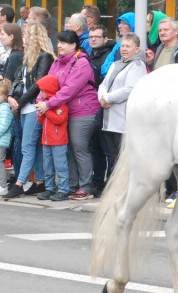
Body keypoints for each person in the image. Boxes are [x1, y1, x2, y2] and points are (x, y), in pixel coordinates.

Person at [39, 30, 100, 201]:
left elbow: (69, 90)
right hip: (62, 111)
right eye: (58, 42)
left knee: (79, 147)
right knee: (68, 150)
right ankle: (70, 186)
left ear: (74, 45)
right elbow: (47, 84)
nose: (59, 46)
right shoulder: (57, 62)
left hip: (83, 111)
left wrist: (48, 105)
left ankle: (86, 187)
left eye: (64, 42)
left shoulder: (81, 63)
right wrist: (40, 101)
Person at [5, 23, 55, 199]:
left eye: (27, 33)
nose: (24, 36)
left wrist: (19, 101)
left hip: (34, 107)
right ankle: (40, 181)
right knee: (35, 147)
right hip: (24, 107)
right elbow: (18, 78)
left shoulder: (45, 57)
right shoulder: (28, 57)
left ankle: (19, 183)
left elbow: (38, 85)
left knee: (27, 146)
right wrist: (10, 96)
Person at [96, 32, 146, 197]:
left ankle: (122, 190)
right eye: (123, 46)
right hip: (107, 116)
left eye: (128, 46)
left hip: (122, 119)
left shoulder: (137, 65)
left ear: (136, 49)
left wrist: (109, 97)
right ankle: (111, 187)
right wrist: (102, 98)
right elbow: (104, 84)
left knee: (121, 157)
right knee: (111, 156)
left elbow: (130, 88)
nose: (124, 49)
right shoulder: (115, 64)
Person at [35, 74, 70, 201]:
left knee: (61, 167)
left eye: (42, 90)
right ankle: (49, 188)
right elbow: (41, 121)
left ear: (49, 90)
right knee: (47, 167)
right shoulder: (45, 104)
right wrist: (40, 113)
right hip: (46, 141)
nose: (41, 93)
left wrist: (46, 111)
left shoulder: (60, 105)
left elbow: (59, 120)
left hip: (58, 141)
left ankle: (63, 190)